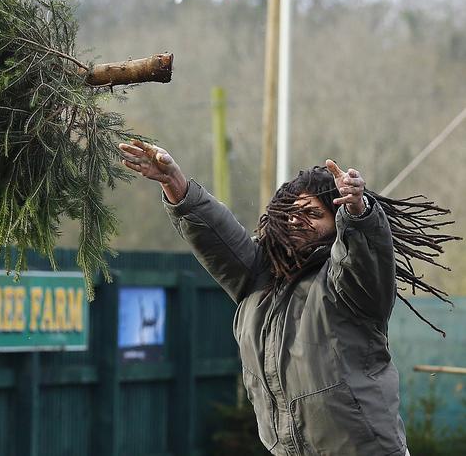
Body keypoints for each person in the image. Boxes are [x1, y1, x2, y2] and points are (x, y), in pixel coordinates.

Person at [117, 139, 458, 456]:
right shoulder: (259, 276)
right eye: (291, 213)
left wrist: (357, 211)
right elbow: (216, 236)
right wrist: (174, 183)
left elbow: (363, 255)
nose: (296, 221)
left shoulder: (352, 284)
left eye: (313, 214)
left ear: (337, 222)